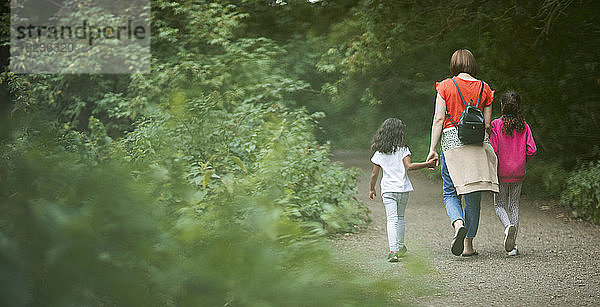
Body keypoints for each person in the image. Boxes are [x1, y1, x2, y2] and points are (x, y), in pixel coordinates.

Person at [426, 49, 499, 257]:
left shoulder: (445, 86)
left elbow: (438, 119)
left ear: (454, 64)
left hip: (451, 142)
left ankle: (458, 225)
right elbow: (486, 125)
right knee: (473, 193)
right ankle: (468, 246)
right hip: (476, 144)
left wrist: (432, 149)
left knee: (450, 191)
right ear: (472, 64)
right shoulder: (484, 88)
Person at [369, 118, 437, 262]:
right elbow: (409, 167)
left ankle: (393, 250)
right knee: (400, 218)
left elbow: (374, 174)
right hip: (402, 189)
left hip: (388, 190)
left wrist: (371, 189)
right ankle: (399, 246)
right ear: (400, 133)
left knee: (391, 219)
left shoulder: (380, 152)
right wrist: (427, 164)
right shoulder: (403, 150)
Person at [490, 91, 537, 256]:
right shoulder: (524, 126)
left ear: (502, 106)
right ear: (519, 108)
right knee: (514, 205)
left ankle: (507, 226)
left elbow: (494, 149)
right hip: (518, 172)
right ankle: (513, 246)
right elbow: (532, 149)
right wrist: (522, 161)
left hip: (501, 172)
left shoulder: (496, 125)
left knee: (499, 205)